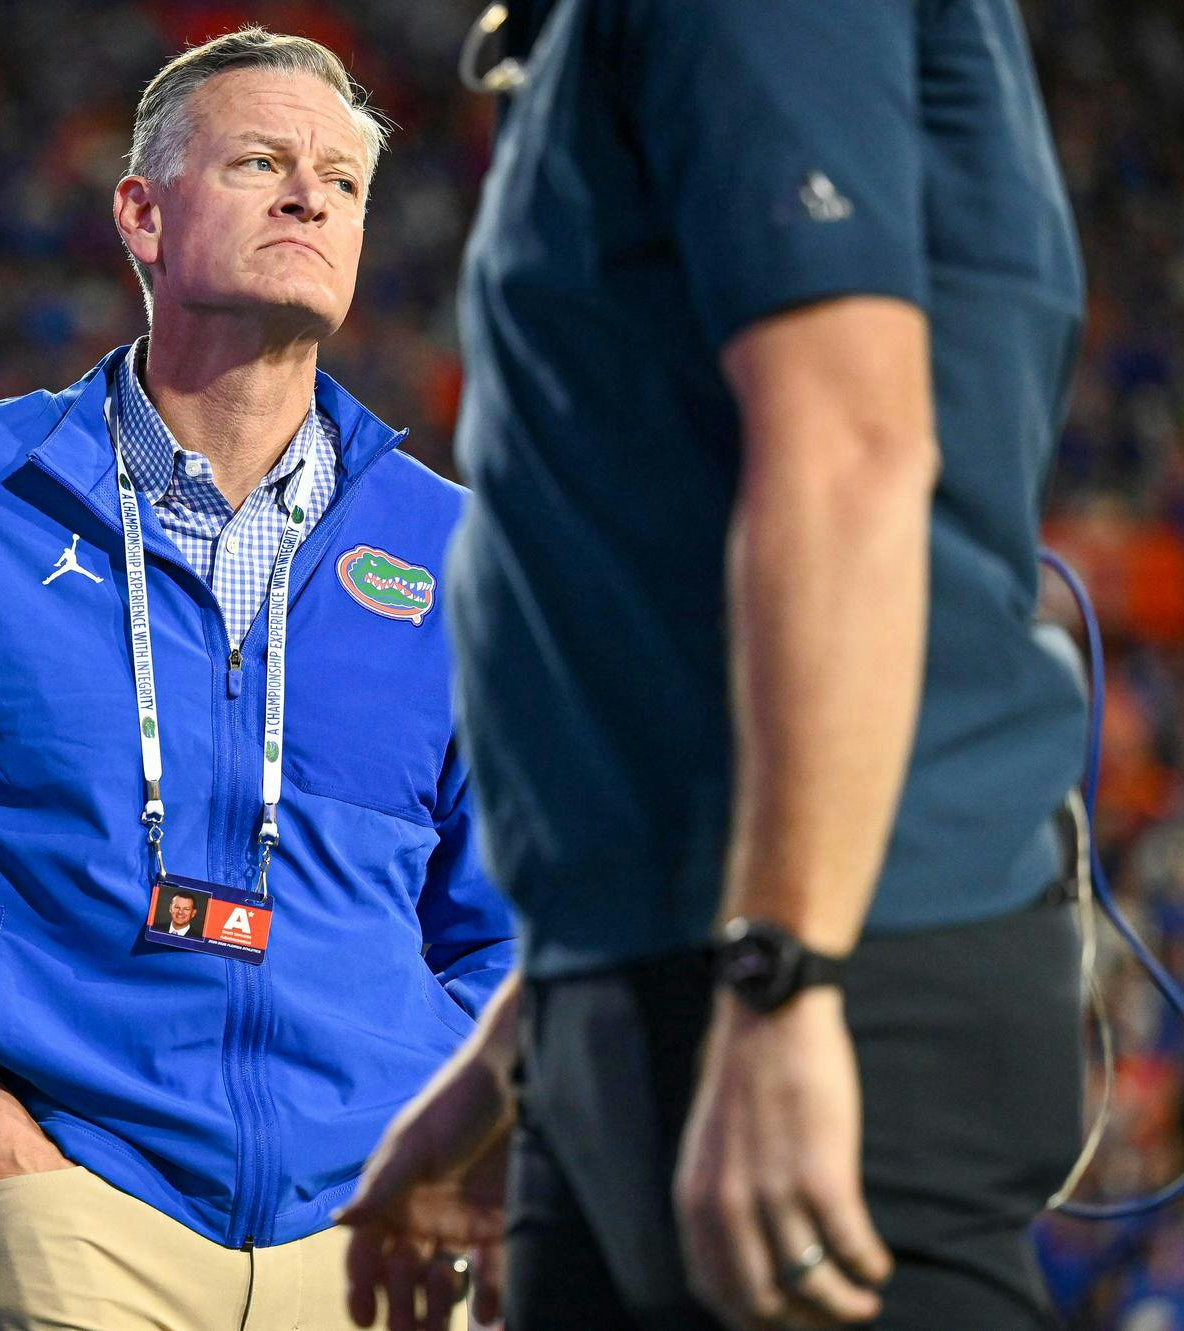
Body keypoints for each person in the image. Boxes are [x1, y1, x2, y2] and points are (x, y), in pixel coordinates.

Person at [0, 27, 514, 1331]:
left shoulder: (459, 555)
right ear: (142, 217)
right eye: (261, 160)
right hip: (78, 1198)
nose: (311, 195)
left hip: (383, 1222)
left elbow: (507, 924)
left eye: (343, 178)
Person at [341, 2, 1090, 1329]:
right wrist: (520, 1056)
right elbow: (659, 598)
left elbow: (850, 451)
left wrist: (783, 976)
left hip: (830, 964)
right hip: (655, 972)